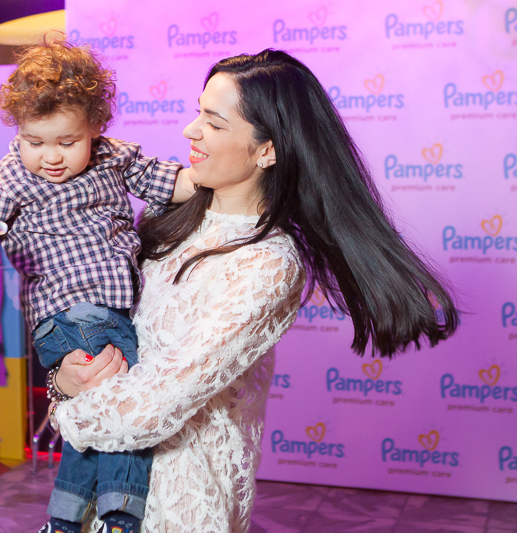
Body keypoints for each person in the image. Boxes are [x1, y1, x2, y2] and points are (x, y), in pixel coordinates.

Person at [49, 49, 459, 532]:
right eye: (198, 112)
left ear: (268, 150)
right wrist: (64, 380)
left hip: (175, 501)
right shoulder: (165, 218)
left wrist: (63, 410)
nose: (191, 130)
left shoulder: (268, 263)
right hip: (96, 485)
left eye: (215, 123)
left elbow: (152, 408)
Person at [0, 39, 194, 533]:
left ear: (95, 127)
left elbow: (173, 183)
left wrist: (222, 180)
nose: (50, 157)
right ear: (19, 130)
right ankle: (120, 514)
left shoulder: (114, 157)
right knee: (128, 401)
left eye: (67, 142)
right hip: (71, 311)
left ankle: (64, 520)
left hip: (108, 312)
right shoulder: (11, 176)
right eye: (35, 142)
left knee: (92, 408)